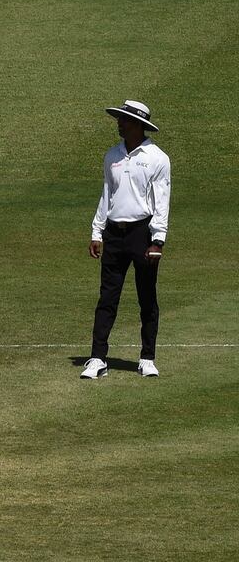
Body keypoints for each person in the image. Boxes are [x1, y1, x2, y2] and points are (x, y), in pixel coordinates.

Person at [82, 100, 171, 379]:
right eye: (119, 119)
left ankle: (147, 357)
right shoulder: (112, 155)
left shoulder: (157, 158)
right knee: (107, 297)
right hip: (114, 233)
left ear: (139, 125)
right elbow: (106, 194)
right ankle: (97, 358)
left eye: (124, 120)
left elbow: (162, 201)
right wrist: (97, 232)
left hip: (142, 234)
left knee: (147, 297)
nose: (119, 124)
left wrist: (158, 240)